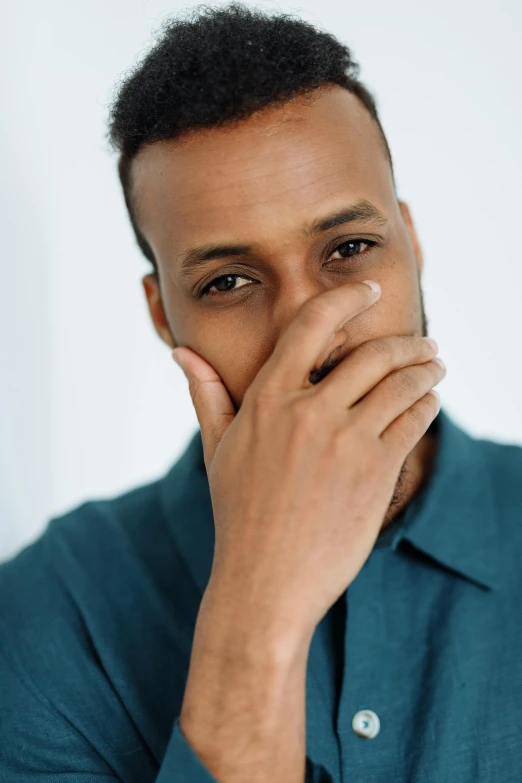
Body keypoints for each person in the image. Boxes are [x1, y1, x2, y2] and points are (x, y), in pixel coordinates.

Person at [1, 3, 521, 782]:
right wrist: (256, 604)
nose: (310, 330)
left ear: (411, 245)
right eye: (230, 281)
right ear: (161, 315)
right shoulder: (49, 611)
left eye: (349, 248)